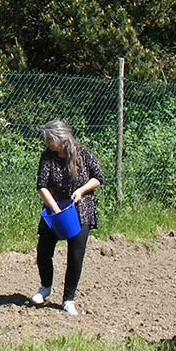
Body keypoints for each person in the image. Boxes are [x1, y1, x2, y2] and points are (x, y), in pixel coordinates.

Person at [32, 119, 103, 316]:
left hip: (81, 209)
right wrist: (55, 210)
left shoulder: (84, 154)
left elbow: (98, 177)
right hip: (54, 210)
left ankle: (68, 299)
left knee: (75, 255)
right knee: (43, 251)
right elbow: (42, 185)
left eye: (49, 139)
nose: (47, 143)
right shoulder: (47, 157)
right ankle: (45, 287)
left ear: (60, 138)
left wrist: (81, 190)